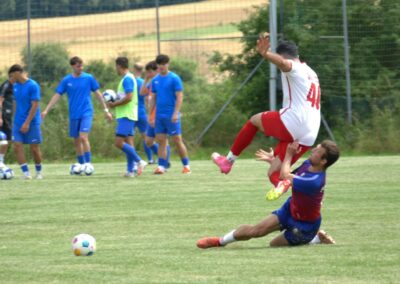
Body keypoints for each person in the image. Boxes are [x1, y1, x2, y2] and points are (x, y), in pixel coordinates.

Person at [212, 33, 321, 195]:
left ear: (281, 55)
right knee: (274, 173)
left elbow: (285, 64)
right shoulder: (311, 72)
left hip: (294, 121)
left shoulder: (294, 66)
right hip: (311, 132)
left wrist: (266, 54)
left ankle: (228, 161)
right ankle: (283, 184)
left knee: (253, 121)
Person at [197, 140, 339, 249]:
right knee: (256, 231)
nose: (313, 150)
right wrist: (273, 161)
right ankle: (219, 242)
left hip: (305, 226)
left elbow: (284, 176)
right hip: (290, 209)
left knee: (274, 245)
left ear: (323, 161)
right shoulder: (309, 164)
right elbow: (290, 173)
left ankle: (315, 238)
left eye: (317, 151)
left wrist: (289, 154)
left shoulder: (314, 181)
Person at [41, 56, 112, 173]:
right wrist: (46, 110)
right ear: (73, 66)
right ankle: (81, 164)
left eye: (82, 65)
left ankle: (88, 164)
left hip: (86, 112)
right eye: (78, 66)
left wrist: (106, 110)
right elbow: (57, 95)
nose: (81, 68)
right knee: (77, 140)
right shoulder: (66, 80)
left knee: (83, 137)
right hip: (74, 114)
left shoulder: (89, 78)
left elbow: (98, 94)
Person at [149, 54, 190, 174]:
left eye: (164, 64)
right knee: (161, 140)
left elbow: (179, 96)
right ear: (157, 65)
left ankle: (186, 165)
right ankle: (161, 166)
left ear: (168, 64)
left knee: (177, 140)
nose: (161, 66)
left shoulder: (174, 78)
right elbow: (153, 98)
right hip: (159, 116)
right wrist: (150, 115)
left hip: (171, 115)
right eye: (159, 64)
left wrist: (176, 113)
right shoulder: (155, 80)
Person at [106, 57, 147, 177]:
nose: (116, 69)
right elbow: (126, 96)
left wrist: (114, 104)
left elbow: (129, 97)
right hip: (127, 114)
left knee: (118, 143)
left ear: (119, 66)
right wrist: (117, 100)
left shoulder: (127, 79)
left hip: (126, 115)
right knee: (129, 143)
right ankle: (130, 170)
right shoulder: (128, 78)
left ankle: (139, 161)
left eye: (116, 66)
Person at [8, 64, 43, 179]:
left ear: (17, 73)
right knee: (17, 146)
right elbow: (15, 103)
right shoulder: (15, 86)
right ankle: (26, 173)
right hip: (18, 122)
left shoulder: (33, 85)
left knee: (34, 148)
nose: (10, 79)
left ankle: (39, 172)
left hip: (32, 122)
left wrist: (27, 123)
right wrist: (13, 119)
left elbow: (35, 105)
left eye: (11, 76)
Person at [140, 61, 171, 166]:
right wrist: (146, 79)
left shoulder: (161, 81)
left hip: (160, 114)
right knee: (148, 141)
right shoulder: (152, 82)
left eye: (149, 72)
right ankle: (163, 158)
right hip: (152, 114)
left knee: (162, 140)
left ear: (156, 70)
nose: (148, 73)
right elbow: (142, 92)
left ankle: (164, 162)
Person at [132, 63, 156, 164]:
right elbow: (148, 99)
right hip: (141, 112)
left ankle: (133, 160)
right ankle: (150, 159)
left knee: (129, 138)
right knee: (146, 137)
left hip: (131, 112)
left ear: (133, 69)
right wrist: (149, 112)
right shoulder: (144, 82)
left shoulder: (130, 81)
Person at [0, 75, 16, 168]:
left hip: (8, 117)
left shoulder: (16, 86)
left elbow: (14, 102)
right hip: (3, 116)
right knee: (5, 139)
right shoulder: (6, 85)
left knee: (7, 139)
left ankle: (1, 160)